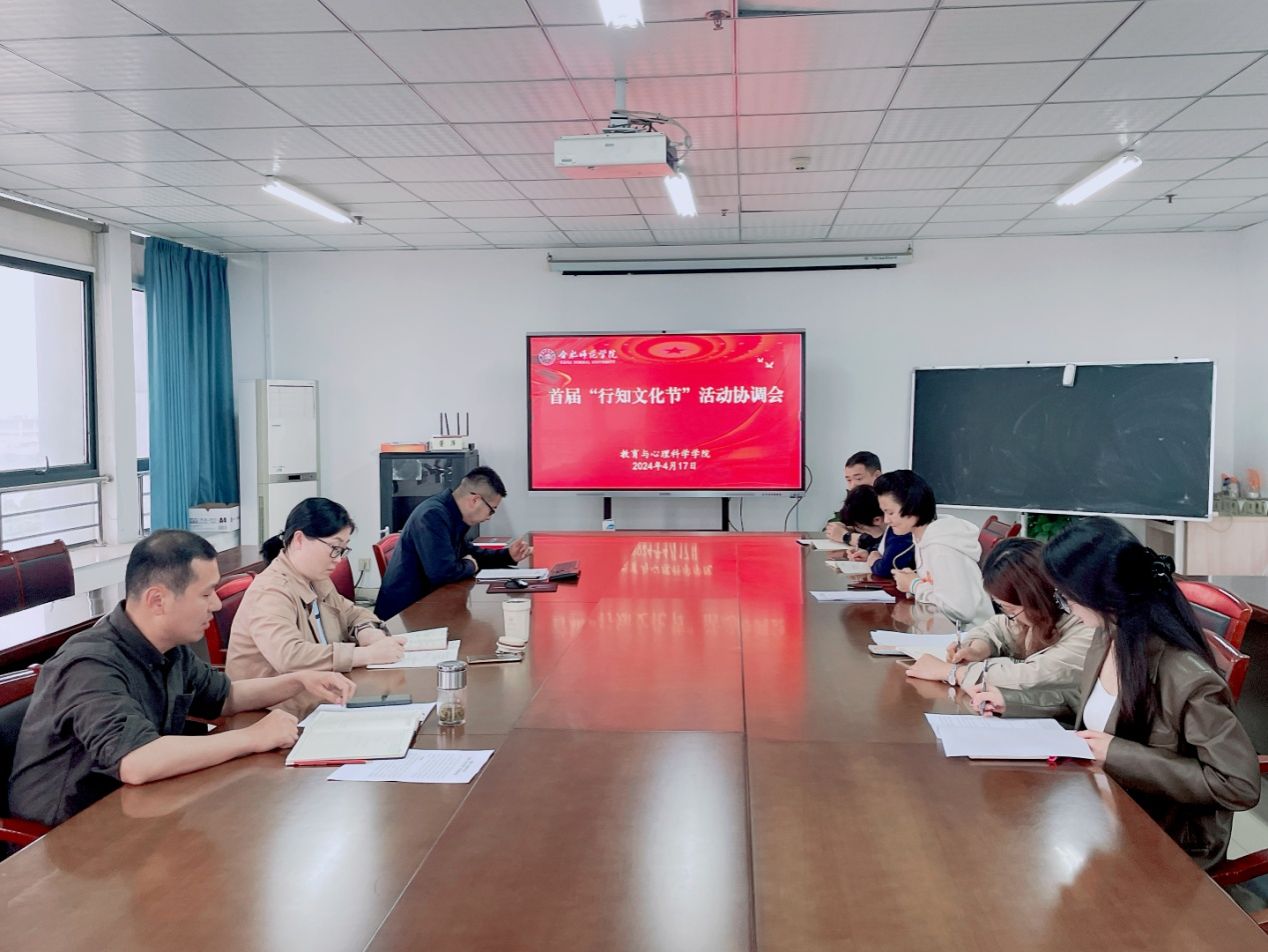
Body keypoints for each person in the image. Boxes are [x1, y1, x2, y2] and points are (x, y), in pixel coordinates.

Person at [8, 530, 354, 829]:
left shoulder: (168, 647)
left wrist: (299, 680)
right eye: (205, 594)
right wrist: (253, 737)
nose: (216, 605)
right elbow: (137, 762)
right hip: (66, 838)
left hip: (135, 809)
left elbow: (225, 696)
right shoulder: (90, 664)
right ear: (157, 600)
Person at [967, 517, 1259, 870]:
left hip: (1166, 838)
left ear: (1099, 595)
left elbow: (1237, 785)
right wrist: (1012, 701)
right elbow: (1092, 704)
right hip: (1104, 807)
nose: (1064, 606)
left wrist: (1117, 753)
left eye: (1065, 596)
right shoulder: (1109, 633)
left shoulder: (1186, 677)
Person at [227, 498, 406, 698]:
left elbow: (352, 613)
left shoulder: (315, 578)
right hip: (274, 708)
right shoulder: (271, 591)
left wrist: (368, 632)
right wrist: (366, 655)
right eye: (334, 548)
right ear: (299, 540)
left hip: (319, 695)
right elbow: (290, 656)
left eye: (343, 550)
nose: (339, 559)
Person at [904, 537, 1094, 688]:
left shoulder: (1087, 626)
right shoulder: (1038, 616)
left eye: (1011, 609)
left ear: (1038, 598)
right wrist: (978, 648)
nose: (1009, 616)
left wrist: (952, 672)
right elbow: (997, 627)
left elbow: (1034, 676)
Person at [375, 466, 531, 620]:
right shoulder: (432, 516)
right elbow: (443, 573)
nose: (490, 517)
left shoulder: (450, 513)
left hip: (429, 603)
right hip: (404, 614)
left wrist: (507, 555)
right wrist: (470, 566)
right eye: (491, 510)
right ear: (475, 500)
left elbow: (469, 552)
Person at [873, 469, 993, 626]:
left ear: (912, 506)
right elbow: (940, 589)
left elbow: (961, 612)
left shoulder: (942, 549)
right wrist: (915, 579)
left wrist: (914, 585)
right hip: (941, 630)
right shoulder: (923, 537)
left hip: (968, 636)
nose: (886, 520)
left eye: (890, 513)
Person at [837, 485, 915, 579]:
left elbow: (885, 569)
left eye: (861, 528)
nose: (862, 532)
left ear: (877, 520)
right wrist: (868, 555)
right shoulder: (890, 531)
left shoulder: (899, 534)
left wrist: (875, 562)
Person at [825, 451, 882, 545]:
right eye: (849, 480)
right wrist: (843, 528)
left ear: (877, 476)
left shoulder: (891, 500)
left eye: (859, 479)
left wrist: (846, 536)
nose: (853, 485)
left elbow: (886, 542)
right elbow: (841, 522)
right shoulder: (856, 499)